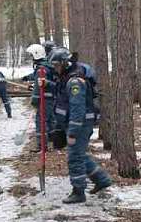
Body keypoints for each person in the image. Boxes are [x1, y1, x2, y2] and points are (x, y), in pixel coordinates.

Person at [48, 47, 113, 203]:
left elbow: (77, 108)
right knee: (79, 153)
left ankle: (78, 191)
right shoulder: (67, 77)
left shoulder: (75, 81)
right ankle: (101, 179)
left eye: (57, 65)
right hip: (77, 123)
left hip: (80, 124)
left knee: (74, 156)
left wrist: (72, 132)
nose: (55, 68)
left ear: (64, 63)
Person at [21, 43, 57, 153]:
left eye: (32, 55)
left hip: (44, 100)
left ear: (36, 55)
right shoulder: (46, 66)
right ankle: (54, 142)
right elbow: (37, 78)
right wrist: (27, 78)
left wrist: (35, 100)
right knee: (50, 121)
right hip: (50, 99)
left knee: (41, 122)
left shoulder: (42, 69)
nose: (31, 58)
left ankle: (42, 146)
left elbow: (38, 86)